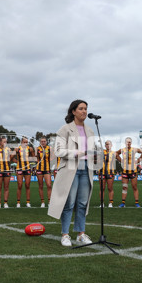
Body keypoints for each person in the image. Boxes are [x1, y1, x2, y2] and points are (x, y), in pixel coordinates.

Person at [48, 99, 95, 247]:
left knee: (82, 203)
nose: (84, 111)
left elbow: (91, 151)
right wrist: (75, 152)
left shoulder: (90, 130)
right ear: (73, 111)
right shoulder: (65, 129)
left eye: (86, 109)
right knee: (69, 203)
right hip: (70, 168)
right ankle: (65, 234)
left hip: (86, 168)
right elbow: (58, 151)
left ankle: (81, 234)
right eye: (81, 108)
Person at [115, 137, 142, 207]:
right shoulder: (122, 150)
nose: (128, 143)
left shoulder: (135, 149)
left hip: (133, 171)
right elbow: (115, 154)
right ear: (125, 143)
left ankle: (137, 203)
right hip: (125, 171)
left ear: (131, 143)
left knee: (134, 187)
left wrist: (138, 160)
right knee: (124, 187)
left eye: (129, 142)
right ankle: (123, 203)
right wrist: (121, 161)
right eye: (127, 142)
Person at [14, 136, 35, 208]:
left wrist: (31, 161)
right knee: (20, 185)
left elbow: (34, 157)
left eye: (27, 142)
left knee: (27, 185)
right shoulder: (17, 149)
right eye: (24, 142)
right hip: (19, 168)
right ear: (21, 142)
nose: (26, 143)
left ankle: (28, 202)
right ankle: (18, 202)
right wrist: (17, 162)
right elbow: (11, 158)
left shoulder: (30, 149)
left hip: (27, 168)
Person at [0, 136, 12, 208]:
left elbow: (12, 156)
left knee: (6, 187)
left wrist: (9, 160)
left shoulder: (8, 149)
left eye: (6, 142)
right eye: (4, 141)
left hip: (7, 170)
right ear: (0, 142)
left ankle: (5, 203)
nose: (5, 143)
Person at [35, 137, 53, 208]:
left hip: (47, 169)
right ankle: (42, 202)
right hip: (39, 169)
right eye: (42, 141)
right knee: (41, 185)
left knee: (49, 185)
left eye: (44, 141)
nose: (43, 142)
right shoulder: (37, 149)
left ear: (46, 142)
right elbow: (36, 158)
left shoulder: (50, 148)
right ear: (40, 142)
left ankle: (49, 201)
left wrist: (50, 161)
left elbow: (53, 157)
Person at [99, 140, 117, 207]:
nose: (108, 145)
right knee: (102, 188)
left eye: (109, 144)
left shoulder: (114, 153)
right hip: (102, 173)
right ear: (105, 145)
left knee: (110, 188)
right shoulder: (101, 153)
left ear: (111, 145)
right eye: (106, 144)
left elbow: (121, 160)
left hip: (110, 173)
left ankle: (110, 203)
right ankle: (102, 203)